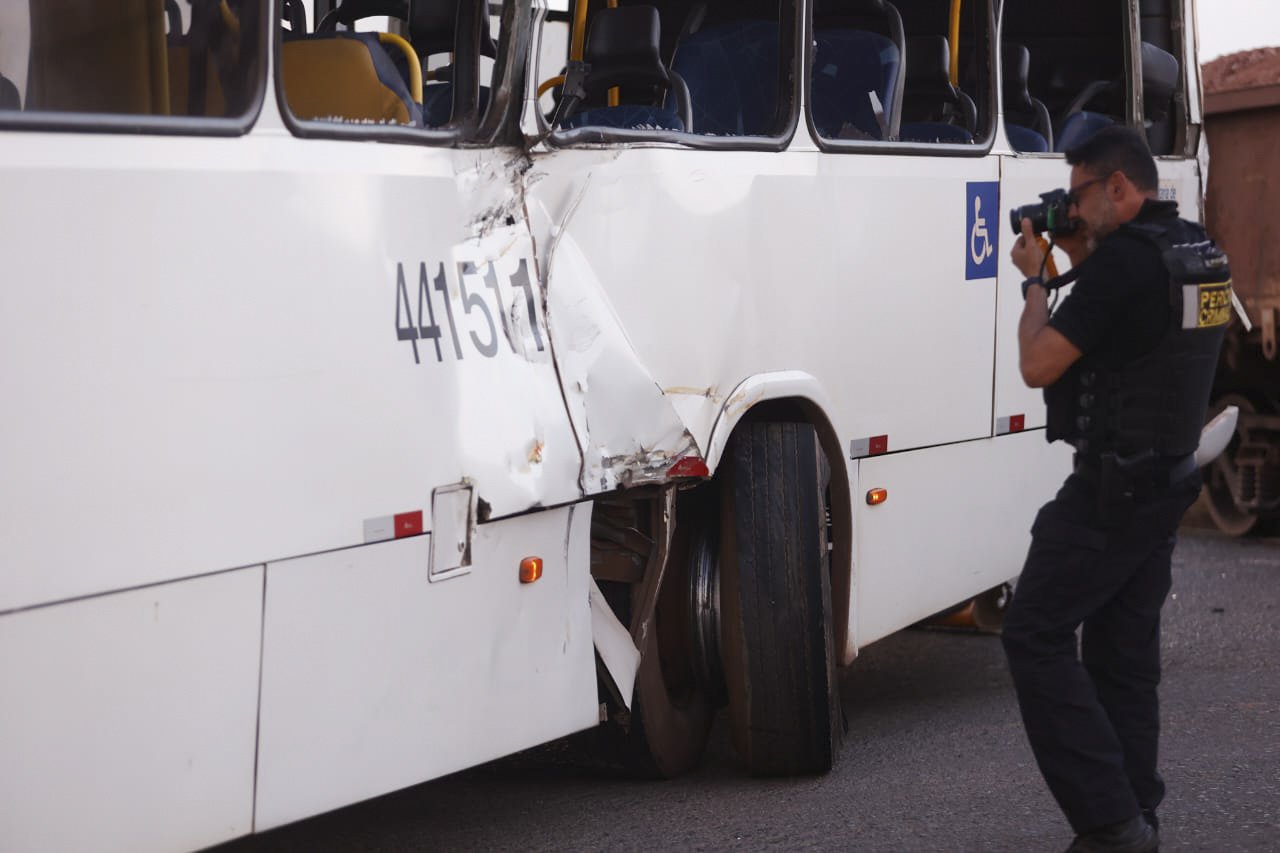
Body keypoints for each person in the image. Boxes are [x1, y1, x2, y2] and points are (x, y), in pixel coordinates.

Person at [1002, 125, 1231, 853]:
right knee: (1121, 656)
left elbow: (1040, 363)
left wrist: (1038, 281)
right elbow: (1139, 339)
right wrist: (1074, 253)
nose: (1068, 210)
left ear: (1118, 189)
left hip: (1110, 491)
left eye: (1077, 196)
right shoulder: (1194, 250)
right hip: (1166, 478)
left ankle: (1110, 822)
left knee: (1033, 631)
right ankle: (1137, 815)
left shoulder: (1120, 269)